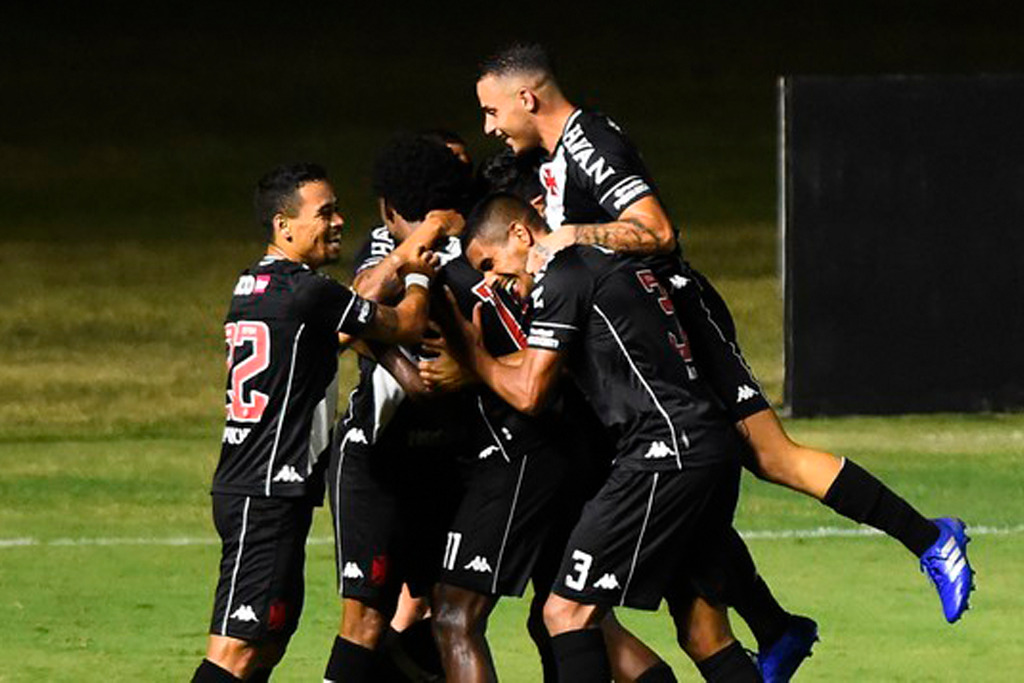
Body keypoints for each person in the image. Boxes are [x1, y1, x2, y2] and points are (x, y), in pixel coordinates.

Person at [473, 44, 974, 639]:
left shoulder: (588, 142)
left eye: (492, 110)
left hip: (677, 315)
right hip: (646, 328)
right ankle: (773, 628)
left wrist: (573, 233)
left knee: (764, 455)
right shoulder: (561, 156)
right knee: (707, 467)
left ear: (527, 98)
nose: (489, 126)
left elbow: (656, 230)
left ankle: (928, 539)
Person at [450, 193, 764, 682]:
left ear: (520, 234)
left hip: (662, 452)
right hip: (703, 444)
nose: (490, 281)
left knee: (564, 613)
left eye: (489, 264)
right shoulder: (603, 261)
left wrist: (472, 357)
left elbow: (530, 391)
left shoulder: (562, 277)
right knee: (703, 630)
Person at [191, 162, 438, 683]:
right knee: (235, 651)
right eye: (324, 213)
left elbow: (335, 337)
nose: (339, 221)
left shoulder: (255, 286)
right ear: (285, 226)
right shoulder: (308, 292)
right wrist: (417, 270)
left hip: (264, 488)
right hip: (265, 494)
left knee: (268, 644)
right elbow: (408, 324)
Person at [323, 135, 475, 683]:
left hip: (426, 460)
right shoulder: (395, 250)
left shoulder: (467, 250)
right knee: (417, 617)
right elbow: (354, 311)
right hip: (383, 455)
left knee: (414, 617)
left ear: (389, 206)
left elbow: (353, 314)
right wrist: (413, 377)